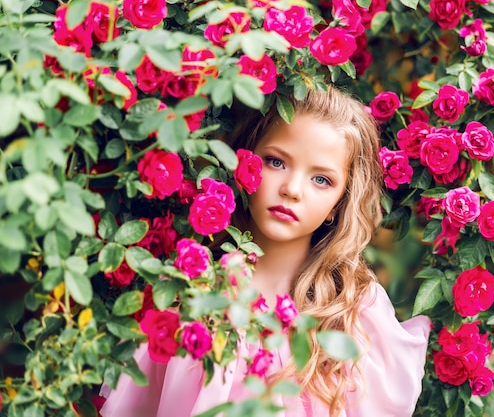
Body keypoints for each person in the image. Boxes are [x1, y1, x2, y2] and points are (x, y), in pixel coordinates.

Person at [100, 85, 430, 417]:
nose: (292, 190)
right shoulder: (189, 297)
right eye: (276, 162)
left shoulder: (355, 312)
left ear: (338, 204)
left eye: (321, 180)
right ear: (245, 161)